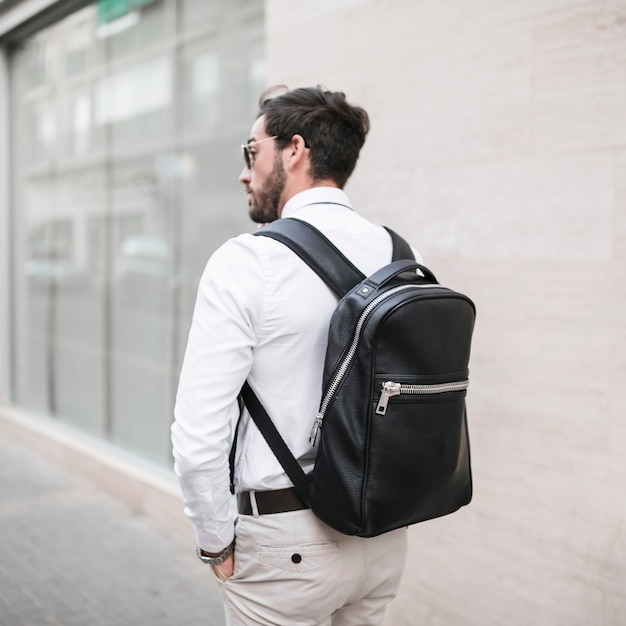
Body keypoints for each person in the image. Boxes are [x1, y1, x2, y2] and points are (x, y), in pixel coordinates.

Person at [171, 85, 422, 626]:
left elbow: (197, 439)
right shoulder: (402, 254)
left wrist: (216, 543)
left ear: (294, 151)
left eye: (251, 151)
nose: (245, 172)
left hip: (285, 546)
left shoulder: (248, 259)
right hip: (383, 534)